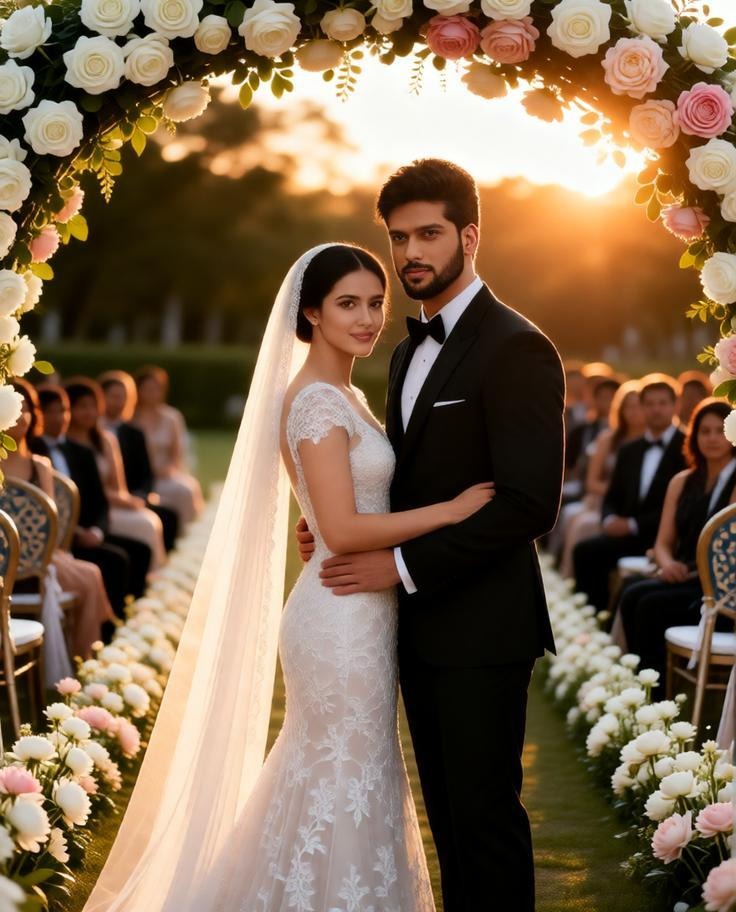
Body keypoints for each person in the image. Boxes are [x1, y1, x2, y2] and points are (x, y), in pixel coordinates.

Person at [81, 241, 496, 912]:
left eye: (375, 303)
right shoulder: (314, 404)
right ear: (310, 312)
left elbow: (330, 513)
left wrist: (332, 520)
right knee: (339, 770)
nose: (367, 319)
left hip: (360, 605)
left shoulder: (344, 394)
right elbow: (342, 530)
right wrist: (448, 511)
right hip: (339, 619)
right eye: (348, 305)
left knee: (344, 772)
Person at [300, 159, 564, 911]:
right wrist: (332, 523)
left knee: (485, 826)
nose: (411, 251)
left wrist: (401, 565)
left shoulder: (517, 347)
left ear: (469, 236)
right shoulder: (404, 350)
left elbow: (526, 504)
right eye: (398, 238)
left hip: (483, 629)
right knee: (447, 826)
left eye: (429, 234)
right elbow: (402, 477)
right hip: (412, 633)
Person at [615, 398, 736, 684]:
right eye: (704, 431)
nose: (712, 438)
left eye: (720, 430)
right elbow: (663, 542)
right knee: (630, 591)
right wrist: (668, 564)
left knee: (649, 604)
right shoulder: (681, 481)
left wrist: (689, 571)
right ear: (694, 436)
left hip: (717, 587)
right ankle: (641, 681)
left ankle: (655, 690)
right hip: (680, 573)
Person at [5, 379, 116, 658]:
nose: (20, 415)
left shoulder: (40, 466)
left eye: (26, 408)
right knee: (90, 577)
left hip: (38, 559)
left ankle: (83, 654)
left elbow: (50, 523)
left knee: (91, 573)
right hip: (5, 560)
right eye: (12, 408)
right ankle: (88, 654)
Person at [30, 385, 150, 611]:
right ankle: (106, 632)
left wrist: (97, 530)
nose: (59, 417)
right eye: (51, 411)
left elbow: (101, 504)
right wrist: (75, 532)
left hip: (88, 532)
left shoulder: (82, 452)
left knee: (139, 551)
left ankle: (129, 616)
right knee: (115, 561)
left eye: (63, 410)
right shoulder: (33, 453)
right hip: (61, 538)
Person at [573, 373, 687, 612]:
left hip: (665, 539)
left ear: (676, 405)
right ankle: (595, 618)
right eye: (649, 404)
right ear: (642, 407)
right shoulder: (629, 450)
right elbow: (612, 496)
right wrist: (609, 518)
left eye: (662, 403)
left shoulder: (688, 447)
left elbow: (684, 506)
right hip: (627, 536)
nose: (656, 410)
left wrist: (633, 524)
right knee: (584, 551)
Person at [65, 378, 166, 572]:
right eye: (82, 407)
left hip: (111, 505)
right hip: (92, 509)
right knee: (145, 525)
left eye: (93, 406)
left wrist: (130, 500)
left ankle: (154, 579)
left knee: (149, 519)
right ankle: (152, 580)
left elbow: (118, 487)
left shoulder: (105, 440)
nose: (89, 412)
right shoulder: (63, 445)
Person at [558, 379, 645, 578]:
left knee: (582, 523)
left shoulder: (650, 441)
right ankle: (570, 577)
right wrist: (617, 493)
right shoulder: (608, 439)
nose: (634, 412)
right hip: (601, 501)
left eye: (638, 406)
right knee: (581, 523)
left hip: (634, 508)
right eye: (628, 406)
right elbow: (591, 482)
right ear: (620, 409)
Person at [98, 371, 179, 552]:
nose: (119, 402)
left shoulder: (135, 432)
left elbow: (146, 473)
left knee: (169, 516)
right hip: (107, 499)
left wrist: (141, 496)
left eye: (124, 397)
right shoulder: (93, 432)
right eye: (114, 396)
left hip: (132, 495)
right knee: (149, 524)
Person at [132, 365, 203, 526]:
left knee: (187, 489)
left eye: (156, 388)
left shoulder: (172, 417)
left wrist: (167, 470)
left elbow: (176, 454)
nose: (152, 393)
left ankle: (185, 530)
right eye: (147, 388)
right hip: (139, 478)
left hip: (166, 474)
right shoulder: (131, 418)